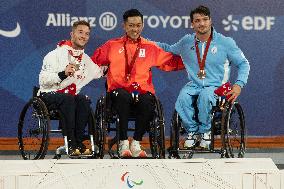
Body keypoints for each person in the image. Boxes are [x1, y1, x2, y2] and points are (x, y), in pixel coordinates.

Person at [91, 9, 184, 158]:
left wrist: (191, 61)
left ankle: (136, 142)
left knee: (149, 99)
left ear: (142, 26)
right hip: (118, 92)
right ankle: (122, 142)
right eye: (131, 25)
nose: (135, 29)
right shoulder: (111, 45)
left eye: (138, 25)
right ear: (124, 26)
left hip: (141, 92)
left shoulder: (150, 47)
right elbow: (93, 62)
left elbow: (170, 62)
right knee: (122, 96)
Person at [157, 5, 250, 149]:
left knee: (206, 96)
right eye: (197, 20)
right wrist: (145, 43)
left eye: (205, 19)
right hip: (194, 85)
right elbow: (168, 48)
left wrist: (239, 84)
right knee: (183, 97)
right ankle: (193, 132)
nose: (202, 23)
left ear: (210, 21)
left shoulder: (226, 42)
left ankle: (206, 131)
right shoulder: (186, 42)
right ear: (192, 24)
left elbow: (243, 64)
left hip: (217, 86)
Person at [38, 20, 103, 156]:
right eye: (80, 32)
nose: (83, 36)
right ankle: (71, 143)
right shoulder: (55, 54)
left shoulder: (85, 59)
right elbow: (43, 81)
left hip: (69, 100)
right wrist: (63, 74)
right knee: (69, 99)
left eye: (87, 34)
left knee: (83, 100)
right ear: (72, 34)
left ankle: (78, 143)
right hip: (48, 95)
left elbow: (100, 72)